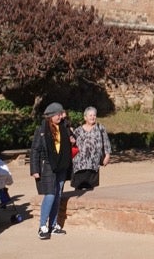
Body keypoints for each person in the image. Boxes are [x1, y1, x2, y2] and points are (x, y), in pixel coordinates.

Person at [30, 102, 76, 240]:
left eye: (60, 114)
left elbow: (71, 142)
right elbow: (35, 150)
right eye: (57, 114)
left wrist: (72, 141)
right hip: (48, 164)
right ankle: (42, 225)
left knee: (58, 195)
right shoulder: (41, 130)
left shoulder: (65, 128)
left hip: (62, 164)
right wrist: (35, 169)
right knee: (50, 194)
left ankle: (53, 224)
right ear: (50, 116)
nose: (60, 117)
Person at [71, 106, 112, 190]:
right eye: (90, 115)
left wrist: (107, 156)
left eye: (94, 115)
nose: (93, 117)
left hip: (93, 164)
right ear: (85, 117)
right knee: (78, 190)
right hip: (79, 165)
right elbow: (72, 143)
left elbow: (106, 142)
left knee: (90, 190)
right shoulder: (78, 130)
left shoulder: (100, 128)